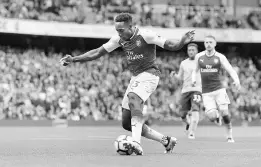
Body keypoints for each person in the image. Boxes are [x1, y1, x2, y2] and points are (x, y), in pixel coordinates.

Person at [60, 13, 195, 155]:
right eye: (116, 30)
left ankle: (136, 142)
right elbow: (97, 52)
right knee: (126, 122)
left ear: (130, 26)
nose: (118, 33)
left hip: (150, 74)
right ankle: (166, 141)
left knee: (133, 98)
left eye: (121, 30)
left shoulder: (146, 35)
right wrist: (74, 59)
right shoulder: (119, 39)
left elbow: (170, 45)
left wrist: (182, 42)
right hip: (136, 77)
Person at [192, 35, 241, 143]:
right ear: (204, 44)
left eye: (210, 42)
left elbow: (230, 69)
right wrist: (193, 79)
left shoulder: (220, 57)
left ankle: (229, 134)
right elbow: (195, 70)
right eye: (206, 42)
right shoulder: (199, 56)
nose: (208, 44)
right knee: (211, 117)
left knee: (225, 112)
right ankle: (217, 117)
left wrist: (236, 80)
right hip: (206, 92)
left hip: (219, 90)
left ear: (214, 44)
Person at [170, 43, 201, 139]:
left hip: (197, 90)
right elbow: (180, 77)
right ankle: (188, 123)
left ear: (197, 51)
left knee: (195, 109)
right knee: (182, 114)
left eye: (193, 50)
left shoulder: (200, 62)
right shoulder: (183, 63)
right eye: (189, 50)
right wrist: (174, 75)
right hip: (185, 90)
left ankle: (192, 132)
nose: (191, 51)